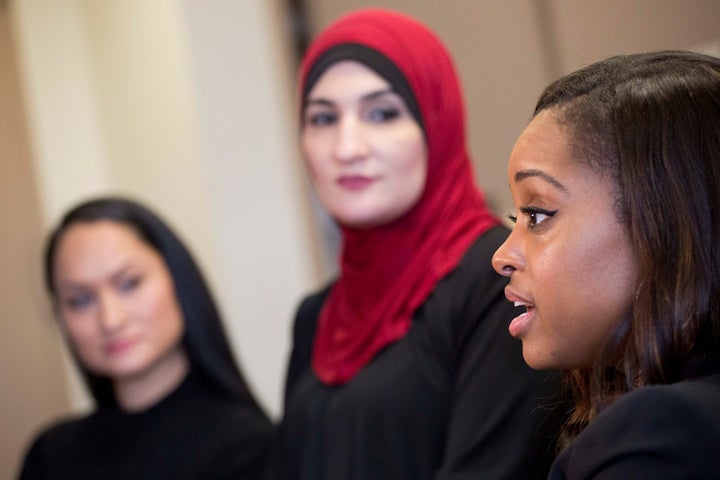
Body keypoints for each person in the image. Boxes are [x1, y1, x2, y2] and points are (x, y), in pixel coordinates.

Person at [268, 8, 566, 479]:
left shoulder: (500, 279)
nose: (346, 147)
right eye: (323, 118)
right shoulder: (316, 318)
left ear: (436, 123)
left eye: (382, 113)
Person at [492, 50, 720, 478]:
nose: (501, 257)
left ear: (663, 226)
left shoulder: (661, 436)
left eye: (537, 216)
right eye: (514, 219)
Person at [19, 197, 274, 479]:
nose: (110, 320)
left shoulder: (249, 447)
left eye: (130, 283)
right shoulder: (50, 456)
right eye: (80, 300)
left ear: (178, 279)